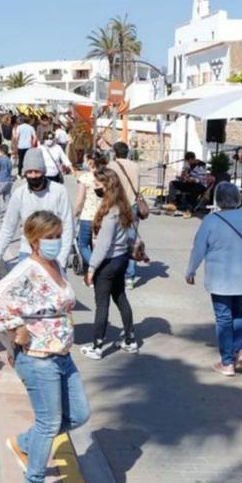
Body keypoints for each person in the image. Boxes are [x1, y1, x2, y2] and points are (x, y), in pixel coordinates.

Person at [0, 211, 90, 483]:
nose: (55, 241)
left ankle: (25, 443)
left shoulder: (57, 266)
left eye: (58, 236)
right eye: (49, 237)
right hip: (37, 358)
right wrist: (17, 328)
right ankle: (34, 482)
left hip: (62, 355)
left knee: (78, 414)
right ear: (34, 240)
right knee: (49, 423)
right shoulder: (26, 270)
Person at [186, 182, 242, 376]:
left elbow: (198, 248)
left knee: (223, 317)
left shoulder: (211, 220)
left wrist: (191, 271)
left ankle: (227, 362)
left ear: (218, 199)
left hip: (220, 278)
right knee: (239, 313)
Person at [0, 149, 74, 275]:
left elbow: (68, 226)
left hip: (54, 254)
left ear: (43, 172)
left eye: (36, 172)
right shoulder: (19, 194)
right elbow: (8, 227)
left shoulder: (59, 192)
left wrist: (61, 261)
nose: (33, 176)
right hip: (28, 253)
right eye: (29, 172)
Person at [80, 168, 137, 360]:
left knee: (101, 304)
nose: (95, 188)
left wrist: (92, 268)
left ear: (107, 186)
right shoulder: (123, 206)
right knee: (121, 297)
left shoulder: (110, 212)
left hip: (108, 261)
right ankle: (130, 340)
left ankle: (97, 346)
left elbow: (103, 245)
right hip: (121, 259)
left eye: (97, 185)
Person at [107, 141, 142, 289]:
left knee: (114, 239)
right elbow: (138, 187)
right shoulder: (136, 166)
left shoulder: (111, 166)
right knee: (131, 240)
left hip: (116, 206)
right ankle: (129, 277)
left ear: (115, 152)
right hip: (132, 205)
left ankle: (115, 271)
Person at [74, 151, 107, 270]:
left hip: (88, 216)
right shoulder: (106, 177)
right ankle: (98, 267)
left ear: (89, 162)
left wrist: (74, 213)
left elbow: (80, 200)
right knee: (97, 246)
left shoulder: (85, 178)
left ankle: (95, 268)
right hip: (103, 217)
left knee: (82, 245)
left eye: (84, 160)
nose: (83, 163)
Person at [0, 144, 15, 213]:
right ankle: (7, 214)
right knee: (7, 197)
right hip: (9, 181)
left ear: (1, 152)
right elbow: (10, 170)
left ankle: (3, 209)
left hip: (2, 181)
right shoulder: (9, 160)